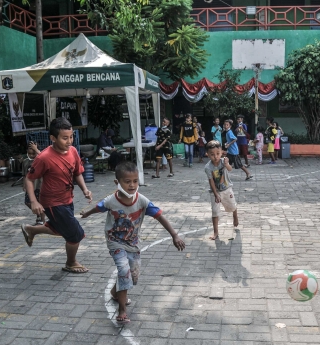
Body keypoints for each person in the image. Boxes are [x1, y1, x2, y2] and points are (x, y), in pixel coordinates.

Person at [80, 161, 185, 323]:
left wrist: (174, 235)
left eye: (135, 181)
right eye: (127, 181)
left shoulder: (142, 201)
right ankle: (122, 311)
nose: (132, 185)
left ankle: (116, 292)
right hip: (115, 241)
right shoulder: (111, 201)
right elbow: (98, 207)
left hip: (133, 243)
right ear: (118, 183)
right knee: (123, 270)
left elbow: (160, 216)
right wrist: (86, 214)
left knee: (133, 276)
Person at [20, 117, 93, 274]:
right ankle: (71, 263)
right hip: (52, 202)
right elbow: (29, 179)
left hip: (67, 199)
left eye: (71, 136)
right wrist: (34, 201)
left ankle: (31, 230)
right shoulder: (44, 157)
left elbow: (77, 172)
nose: (69, 141)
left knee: (60, 229)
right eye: (64, 138)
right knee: (75, 234)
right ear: (53, 138)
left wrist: (85, 189)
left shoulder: (73, 151)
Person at [204, 140, 240, 241]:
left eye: (218, 153)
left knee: (232, 205)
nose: (215, 157)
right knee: (215, 211)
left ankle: (235, 215)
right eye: (212, 154)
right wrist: (216, 194)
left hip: (227, 188)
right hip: (215, 191)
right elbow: (211, 182)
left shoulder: (223, 161)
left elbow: (230, 169)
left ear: (222, 152)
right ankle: (216, 232)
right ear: (207, 155)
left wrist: (227, 164)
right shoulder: (208, 167)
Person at [21, 141, 44, 225]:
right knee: (28, 202)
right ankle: (38, 214)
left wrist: (36, 150)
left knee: (40, 202)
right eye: (29, 153)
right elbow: (24, 174)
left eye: (33, 153)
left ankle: (42, 220)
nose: (31, 156)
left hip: (39, 185)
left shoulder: (40, 160)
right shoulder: (25, 161)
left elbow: (45, 157)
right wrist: (24, 184)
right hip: (30, 186)